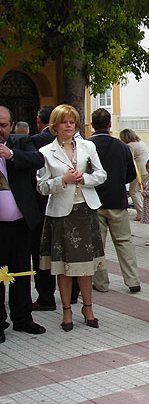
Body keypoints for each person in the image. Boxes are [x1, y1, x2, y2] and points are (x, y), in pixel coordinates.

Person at [37, 104, 107, 332]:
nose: (69, 126)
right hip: (61, 215)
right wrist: (63, 180)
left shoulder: (88, 146)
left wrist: (83, 178)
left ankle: (88, 307)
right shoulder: (46, 152)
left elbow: (101, 174)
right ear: (54, 125)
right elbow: (41, 187)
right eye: (64, 122)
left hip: (85, 211)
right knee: (64, 267)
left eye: (72, 122)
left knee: (85, 266)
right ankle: (66, 310)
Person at [0, 105, 47, 344]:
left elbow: (39, 160)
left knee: (20, 271)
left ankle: (22, 318)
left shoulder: (20, 143)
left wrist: (11, 155)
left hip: (20, 224)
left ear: (10, 126)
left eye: (4, 125)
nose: (1, 130)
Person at [88, 109, 141, 294]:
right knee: (124, 242)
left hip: (94, 202)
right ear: (110, 125)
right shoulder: (122, 146)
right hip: (118, 201)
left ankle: (101, 283)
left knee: (97, 245)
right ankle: (133, 280)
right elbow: (131, 174)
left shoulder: (86, 146)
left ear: (92, 124)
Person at [30, 106, 57, 312]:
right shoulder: (75, 144)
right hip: (65, 207)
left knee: (42, 255)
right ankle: (72, 295)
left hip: (41, 208)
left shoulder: (35, 142)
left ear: (40, 122)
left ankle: (46, 296)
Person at [119, 128, 149, 221]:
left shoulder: (130, 146)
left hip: (139, 170)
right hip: (146, 169)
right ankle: (145, 212)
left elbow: (126, 159)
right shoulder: (140, 143)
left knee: (133, 191)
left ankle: (141, 213)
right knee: (139, 191)